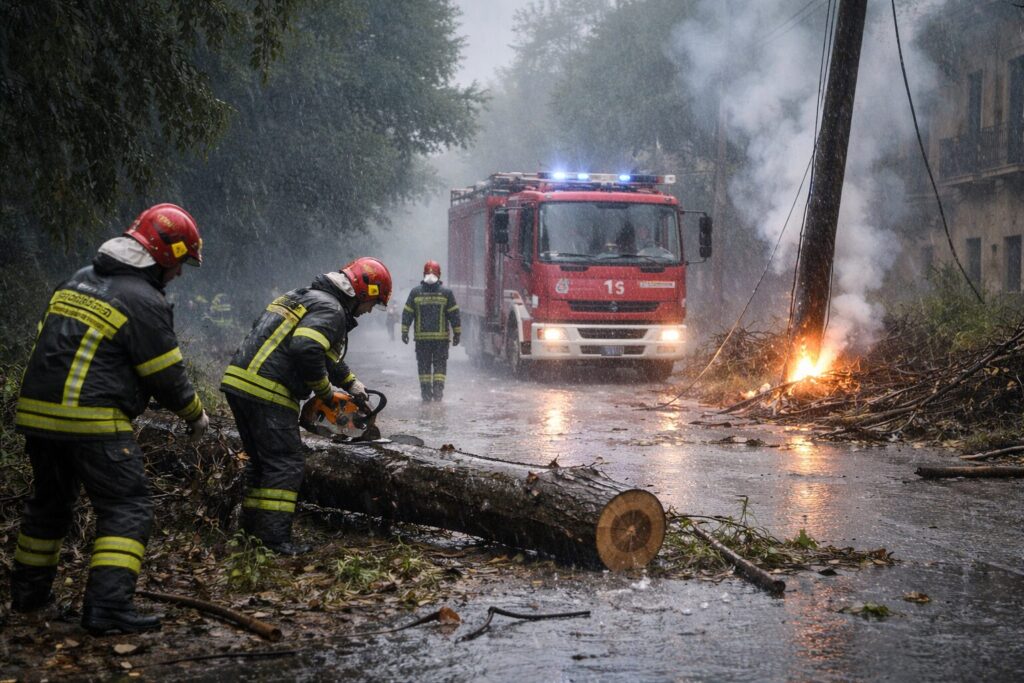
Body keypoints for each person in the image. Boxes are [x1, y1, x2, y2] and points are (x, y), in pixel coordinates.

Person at [10, 203, 209, 635]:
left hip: (37, 415)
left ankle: (28, 598)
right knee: (127, 507)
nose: (178, 274)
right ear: (164, 256)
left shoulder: (79, 279)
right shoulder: (143, 300)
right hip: (92, 421)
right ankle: (107, 609)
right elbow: (167, 377)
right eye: (179, 265)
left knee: (49, 506)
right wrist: (196, 416)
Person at [220, 257, 391, 555]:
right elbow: (306, 347)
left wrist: (351, 384)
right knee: (286, 464)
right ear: (362, 293)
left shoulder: (303, 296)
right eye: (372, 303)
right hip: (268, 390)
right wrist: (325, 393)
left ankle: (250, 535)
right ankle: (275, 542)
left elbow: (318, 349)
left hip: (240, 383)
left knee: (263, 465)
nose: (368, 311)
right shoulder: (332, 309)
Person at [401, 261, 461, 401]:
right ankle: (438, 393)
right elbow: (454, 315)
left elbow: (407, 314)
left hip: (422, 341)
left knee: (424, 368)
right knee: (440, 367)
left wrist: (404, 332)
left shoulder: (416, 293)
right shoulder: (446, 293)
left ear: (423, 274)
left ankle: (426, 395)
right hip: (441, 341)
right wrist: (457, 333)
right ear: (439, 275)